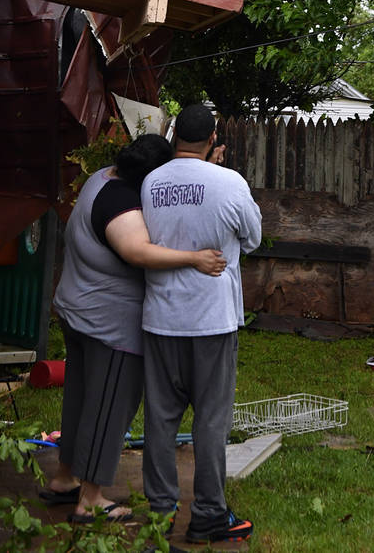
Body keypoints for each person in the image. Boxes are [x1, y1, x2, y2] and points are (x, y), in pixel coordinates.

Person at [43, 133, 226, 525]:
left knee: (79, 400)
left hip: (78, 310)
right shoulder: (121, 204)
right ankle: (90, 499)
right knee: (109, 406)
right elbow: (137, 251)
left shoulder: (101, 180)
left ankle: (65, 479)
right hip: (110, 324)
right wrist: (194, 258)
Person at [140, 104, 262, 545]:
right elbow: (253, 238)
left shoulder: (151, 183)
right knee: (211, 421)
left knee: (160, 419)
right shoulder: (229, 182)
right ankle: (209, 513)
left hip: (159, 318)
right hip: (211, 319)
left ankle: (160, 512)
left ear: (176, 137)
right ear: (213, 139)